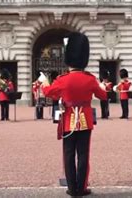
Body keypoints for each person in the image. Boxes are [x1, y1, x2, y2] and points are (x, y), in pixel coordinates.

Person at [41, 32, 107, 197]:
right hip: (85, 120)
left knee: (68, 155)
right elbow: (103, 96)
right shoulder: (89, 79)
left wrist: (44, 82)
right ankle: (82, 187)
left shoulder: (62, 79)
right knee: (83, 155)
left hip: (68, 120)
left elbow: (49, 92)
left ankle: (72, 188)